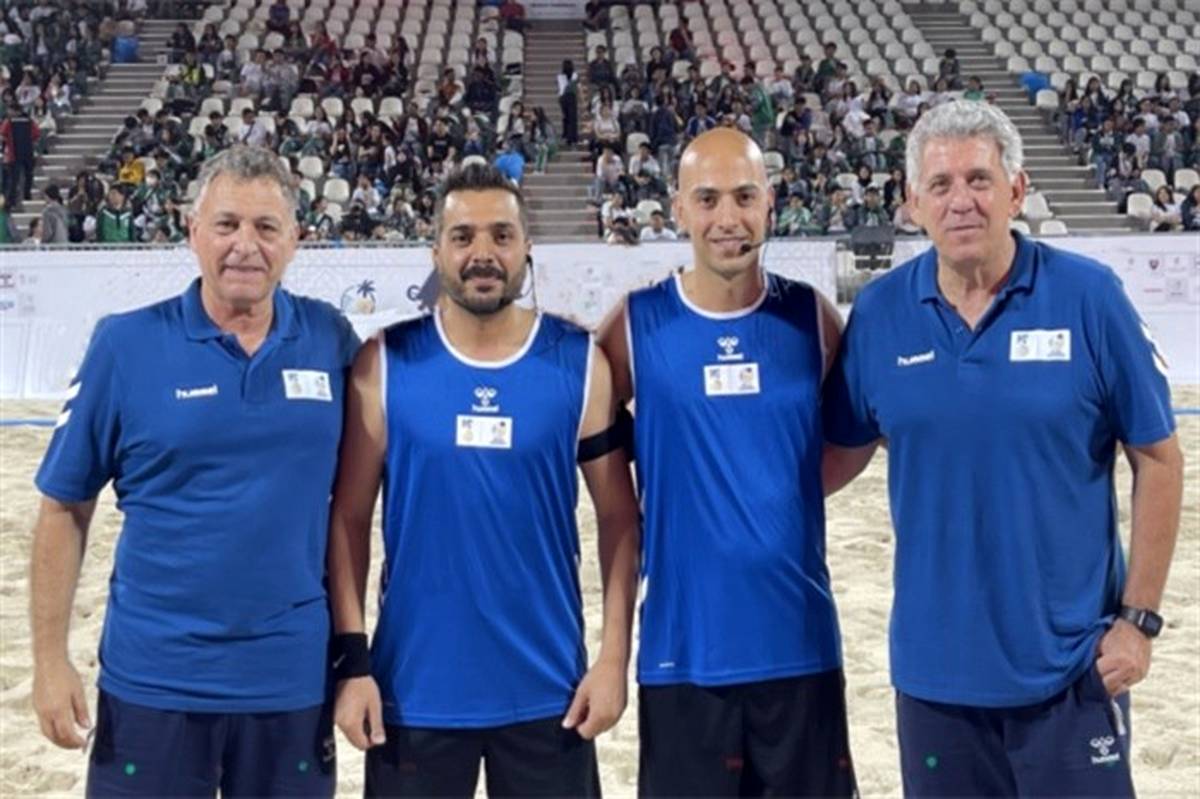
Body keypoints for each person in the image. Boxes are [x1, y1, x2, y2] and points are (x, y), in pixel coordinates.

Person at [822, 100, 1184, 797]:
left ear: (1016, 191)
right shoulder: (880, 313)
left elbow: (1160, 459)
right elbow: (832, 459)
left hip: (1072, 672)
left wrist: (1138, 621)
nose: (961, 200)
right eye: (941, 184)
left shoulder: (1089, 297)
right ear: (913, 205)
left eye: (979, 179)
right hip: (934, 681)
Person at [29, 146, 359, 797]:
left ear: (295, 239)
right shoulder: (125, 344)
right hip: (152, 683)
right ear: (192, 231)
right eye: (227, 224)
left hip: (290, 682)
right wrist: (48, 660)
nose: (245, 245)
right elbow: (64, 505)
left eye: (266, 227)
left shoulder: (330, 339)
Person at [327, 164, 640, 797]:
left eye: (501, 235)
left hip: (550, 693)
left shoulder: (580, 363)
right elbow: (348, 519)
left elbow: (619, 517)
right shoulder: (383, 363)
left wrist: (613, 659)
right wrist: (352, 663)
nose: (483, 253)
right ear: (435, 251)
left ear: (527, 248)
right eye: (463, 236)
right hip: (413, 692)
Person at [597, 128, 857, 797]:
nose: (728, 218)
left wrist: (784, 493)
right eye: (708, 199)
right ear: (678, 209)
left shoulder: (811, 319)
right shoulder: (635, 326)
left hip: (800, 648)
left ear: (769, 203)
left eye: (744, 197)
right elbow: (597, 458)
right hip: (682, 654)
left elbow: (854, 436)